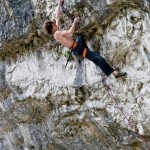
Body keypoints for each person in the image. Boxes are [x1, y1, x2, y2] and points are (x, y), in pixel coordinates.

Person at [43, 0, 126, 78]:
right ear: (52, 29)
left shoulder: (55, 32)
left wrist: (59, 3)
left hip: (77, 44)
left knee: (80, 38)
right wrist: (75, 22)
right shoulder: (57, 34)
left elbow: (57, 18)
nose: (55, 24)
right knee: (99, 59)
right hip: (78, 49)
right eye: (54, 25)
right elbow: (71, 31)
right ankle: (113, 73)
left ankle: (92, 55)